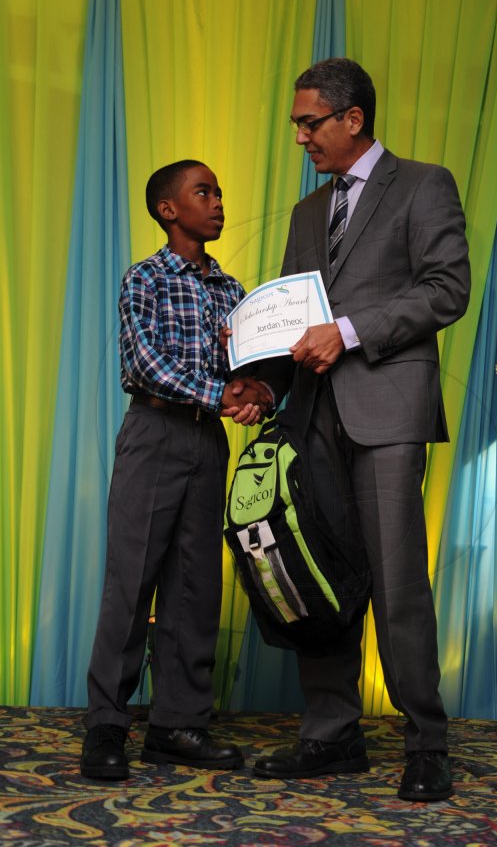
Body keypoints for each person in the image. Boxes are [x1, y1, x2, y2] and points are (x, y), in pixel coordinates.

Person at [252, 59, 470, 801]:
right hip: (312, 417)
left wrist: (347, 331)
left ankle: (426, 744)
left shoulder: (425, 183)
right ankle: (331, 734)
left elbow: (447, 290)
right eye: (296, 124)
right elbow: (291, 324)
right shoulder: (306, 213)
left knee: (398, 580)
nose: (301, 137)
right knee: (321, 577)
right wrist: (262, 383)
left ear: (353, 119)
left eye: (309, 122)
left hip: (386, 414)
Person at [80, 159, 273, 780]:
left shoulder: (233, 291)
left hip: (206, 443)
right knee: (131, 580)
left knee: (195, 585)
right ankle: (107, 725)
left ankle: (177, 725)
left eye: (219, 190)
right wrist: (219, 394)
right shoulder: (145, 279)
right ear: (169, 209)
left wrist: (255, 392)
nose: (218, 201)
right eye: (204, 191)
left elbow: (251, 368)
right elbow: (144, 364)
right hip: (154, 432)